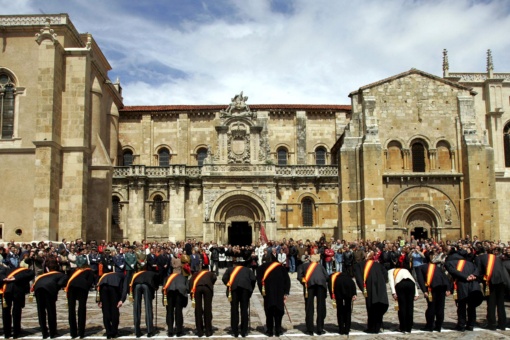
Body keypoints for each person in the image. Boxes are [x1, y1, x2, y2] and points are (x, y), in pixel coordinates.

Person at [445, 246, 483, 332]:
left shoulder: (450, 263)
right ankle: (471, 325)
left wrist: (466, 277)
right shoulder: (470, 263)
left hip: (462, 285)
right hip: (473, 284)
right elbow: (477, 269)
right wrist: (474, 275)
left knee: (461, 305)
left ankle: (461, 325)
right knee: (471, 306)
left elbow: (453, 271)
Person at [475, 247, 510, 330]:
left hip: (490, 281)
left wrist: (479, 280)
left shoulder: (478, 258)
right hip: (501, 280)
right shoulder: (496, 258)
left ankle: (492, 324)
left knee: (491, 303)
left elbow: (478, 271)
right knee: (500, 304)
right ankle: (502, 324)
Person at [354, 251, 389, 334]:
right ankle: (378, 325)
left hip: (369, 287)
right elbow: (385, 275)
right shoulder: (378, 265)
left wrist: (363, 289)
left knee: (371, 306)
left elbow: (358, 278)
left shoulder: (359, 265)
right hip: (380, 286)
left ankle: (372, 327)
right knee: (379, 305)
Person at [31, 263, 68, 339]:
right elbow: (61, 283)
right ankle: (52, 332)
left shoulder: (42, 275)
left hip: (38, 290)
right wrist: (55, 288)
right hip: (49, 290)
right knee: (51, 311)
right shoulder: (60, 274)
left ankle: (44, 333)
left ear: (47, 269)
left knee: (41, 312)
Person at [256, 257, 290, 337]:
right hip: (279, 293)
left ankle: (269, 330)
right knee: (279, 311)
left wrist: (262, 292)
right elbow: (287, 280)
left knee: (269, 311)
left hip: (268, 293)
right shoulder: (281, 267)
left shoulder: (261, 268)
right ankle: (278, 330)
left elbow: (259, 281)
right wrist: (286, 293)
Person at [222, 261, 256, 337]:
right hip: (245, 289)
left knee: (234, 309)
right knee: (244, 310)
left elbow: (224, 278)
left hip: (234, 290)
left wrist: (229, 285)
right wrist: (250, 289)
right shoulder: (248, 270)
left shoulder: (230, 269)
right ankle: (244, 331)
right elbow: (253, 279)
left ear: (235, 265)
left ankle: (235, 331)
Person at [415, 261, 452, 332]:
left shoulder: (419, 268)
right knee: (440, 307)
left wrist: (424, 291)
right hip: (442, 286)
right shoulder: (437, 267)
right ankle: (438, 326)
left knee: (431, 306)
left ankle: (429, 326)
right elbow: (445, 277)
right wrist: (448, 288)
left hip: (432, 288)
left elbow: (420, 279)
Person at [297, 255, 329, 335]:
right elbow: (327, 277)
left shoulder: (303, 266)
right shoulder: (320, 266)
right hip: (321, 285)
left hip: (309, 286)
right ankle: (320, 329)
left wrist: (304, 282)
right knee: (321, 307)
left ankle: (310, 329)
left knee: (309, 307)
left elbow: (299, 277)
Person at [0, 266, 34, 339]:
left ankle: (7, 333)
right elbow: (31, 273)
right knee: (17, 312)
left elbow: (1, 275)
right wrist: (16, 278)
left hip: (6, 291)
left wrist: (4, 278)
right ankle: (16, 333)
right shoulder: (24, 270)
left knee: (5, 312)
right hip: (17, 291)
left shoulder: (5, 271)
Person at [65, 265, 94, 339]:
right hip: (82, 287)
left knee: (71, 309)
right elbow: (90, 282)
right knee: (81, 308)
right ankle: (81, 332)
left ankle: (73, 333)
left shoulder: (74, 271)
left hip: (71, 287)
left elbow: (68, 279)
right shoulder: (89, 271)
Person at [388, 267, 419, 333]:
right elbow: (413, 280)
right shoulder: (405, 269)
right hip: (411, 284)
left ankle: (403, 327)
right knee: (410, 306)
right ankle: (409, 327)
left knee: (402, 306)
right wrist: (416, 293)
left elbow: (391, 281)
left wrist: (393, 292)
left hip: (400, 284)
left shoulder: (390, 271)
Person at [97, 271, 127, 339]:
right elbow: (124, 289)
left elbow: (98, 287)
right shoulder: (124, 276)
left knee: (105, 310)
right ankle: (114, 332)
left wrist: (99, 300)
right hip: (114, 288)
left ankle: (108, 332)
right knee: (114, 310)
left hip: (103, 287)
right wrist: (122, 300)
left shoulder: (105, 275)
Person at [130, 270, 159, 337]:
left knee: (136, 308)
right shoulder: (151, 272)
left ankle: (137, 331)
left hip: (137, 285)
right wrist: (156, 287)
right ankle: (149, 331)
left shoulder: (135, 274)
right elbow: (157, 278)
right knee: (148, 307)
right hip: (146, 285)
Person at [188, 269, 217, 337]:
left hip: (197, 288)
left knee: (198, 309)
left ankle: (199, 331)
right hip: (207, 287)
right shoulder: (210, 273)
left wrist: (191, 292)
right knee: (208, 308)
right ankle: (208, 331)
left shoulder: (195, 274)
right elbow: (214, 278)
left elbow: (190, 282)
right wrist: (210, 283)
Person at [328, 271, 357, 335]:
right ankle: (347, 329)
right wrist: (354, 294)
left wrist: (332, 297)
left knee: (340, 310)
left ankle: (341, 329)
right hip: (348, 293)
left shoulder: (334, 277)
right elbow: (353, 284)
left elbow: (330, 286)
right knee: (348, 310)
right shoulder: (348, 277)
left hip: (338, 293)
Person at [162, 272, 188, 337]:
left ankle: (170, 331)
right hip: (179, 293)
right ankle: (179, 331)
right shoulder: (183, 277)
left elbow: (163, 287)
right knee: (178, 311)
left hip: (169, 292)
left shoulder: (167, 277)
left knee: (169, 311)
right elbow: (187, 288)